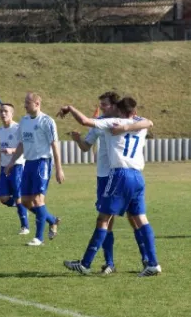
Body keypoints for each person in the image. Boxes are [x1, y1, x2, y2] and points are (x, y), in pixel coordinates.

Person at [58, 97, 162, 277]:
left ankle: (85, 263)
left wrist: (70, 108)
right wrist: (127, 126)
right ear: (134, 112)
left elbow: (84, 121)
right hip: (138, 176)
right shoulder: (140, 123)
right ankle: (152, 263)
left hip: (119, 175)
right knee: (140, 219)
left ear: (118, 110)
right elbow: (149, 122)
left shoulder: (113, 122)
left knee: (103, 219)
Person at [5, 92, 64, 246]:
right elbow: (22, 144)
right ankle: (52, 220)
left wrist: (59, 168)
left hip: (42, 163)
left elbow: (54, 145)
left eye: (27, 102)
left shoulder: (47, 121)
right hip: (28, 163)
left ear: (37, 103)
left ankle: (39, 238)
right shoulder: (24, 122)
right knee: (24, 201)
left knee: (38, 200)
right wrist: (11, 162)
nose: (24, 105)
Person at [0, 103, 29, 235]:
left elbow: (25, 147)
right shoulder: (0, 130)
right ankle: (22, 206)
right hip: (4, 167)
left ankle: (25, 227)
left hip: (17, 166)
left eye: (6, 111)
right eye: (1, 111)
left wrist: (12, 150)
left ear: (12, 114)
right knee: (3, 198)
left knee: (18, 196)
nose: (3, 113)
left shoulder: (17, 128)